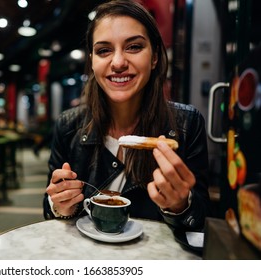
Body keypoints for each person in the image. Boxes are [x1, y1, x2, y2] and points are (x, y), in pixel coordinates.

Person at [43, 0, 211, 231]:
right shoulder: (68, 124)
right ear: (92, 61)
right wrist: (60, 205)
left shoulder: (187, 124)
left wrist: (180, 205)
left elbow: (200, 217)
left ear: (154, 58)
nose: (119, 62)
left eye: (134, 47)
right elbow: (50, 209)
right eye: (104, 50)